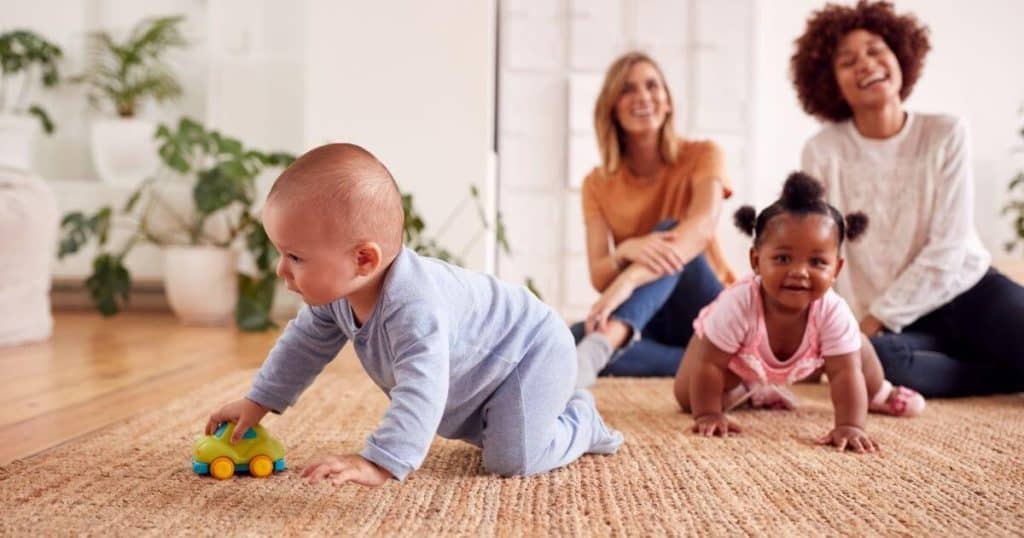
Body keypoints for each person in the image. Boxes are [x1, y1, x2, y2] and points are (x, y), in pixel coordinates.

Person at [206, 143, 622, 486]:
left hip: (531, 350)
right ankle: (558, 399)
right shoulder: (337, 296)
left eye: (295, 256)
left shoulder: (414, 308)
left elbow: (422, 389)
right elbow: (302, 347)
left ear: (364, 259)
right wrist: (257, 402)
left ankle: (581, 421)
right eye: (282, 252)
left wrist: (380, 462)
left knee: (511, 459)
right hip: (489, 366)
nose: (281, 270)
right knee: (493, 433)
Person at [793, 0, 1024, 397]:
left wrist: (870, 322)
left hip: (967, 292)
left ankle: (989, 353)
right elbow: (817, 251)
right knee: (881, 364)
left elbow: (948, 249)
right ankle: (1006, 375)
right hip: (896, 324)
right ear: (832, 83)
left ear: (900, 56)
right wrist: (837, 330)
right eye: (847, 61)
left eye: (876, 50)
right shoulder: (822, 151)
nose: (865, 64)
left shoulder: (946, 133)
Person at [673, 173, 925, 452]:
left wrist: (850, 425)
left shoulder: (832, 310)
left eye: (817, 262)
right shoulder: (737, 303)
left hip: (806, 358)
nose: (799, 272)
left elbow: (843, 374)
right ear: (756, 261)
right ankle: (751, 390)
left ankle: (879, 392)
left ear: (836, 270)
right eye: (782, 258)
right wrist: (708, 414)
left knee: (855, 346)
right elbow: (710, 364)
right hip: (735, 359)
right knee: (689, 398)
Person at [573, 51, 736, 387]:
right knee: (570, 337)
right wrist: (625, 251)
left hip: (708, 307)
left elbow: (701, 229)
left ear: (668, 101)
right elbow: (599, 273)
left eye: (652, 86)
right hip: (649, 315)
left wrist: (628, 281)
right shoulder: (596, 183)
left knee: (669, 231)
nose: (643, 97)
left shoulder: (704, 154)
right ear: (612, 108)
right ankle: (710, 364)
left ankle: (607, 345)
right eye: (628, 89)